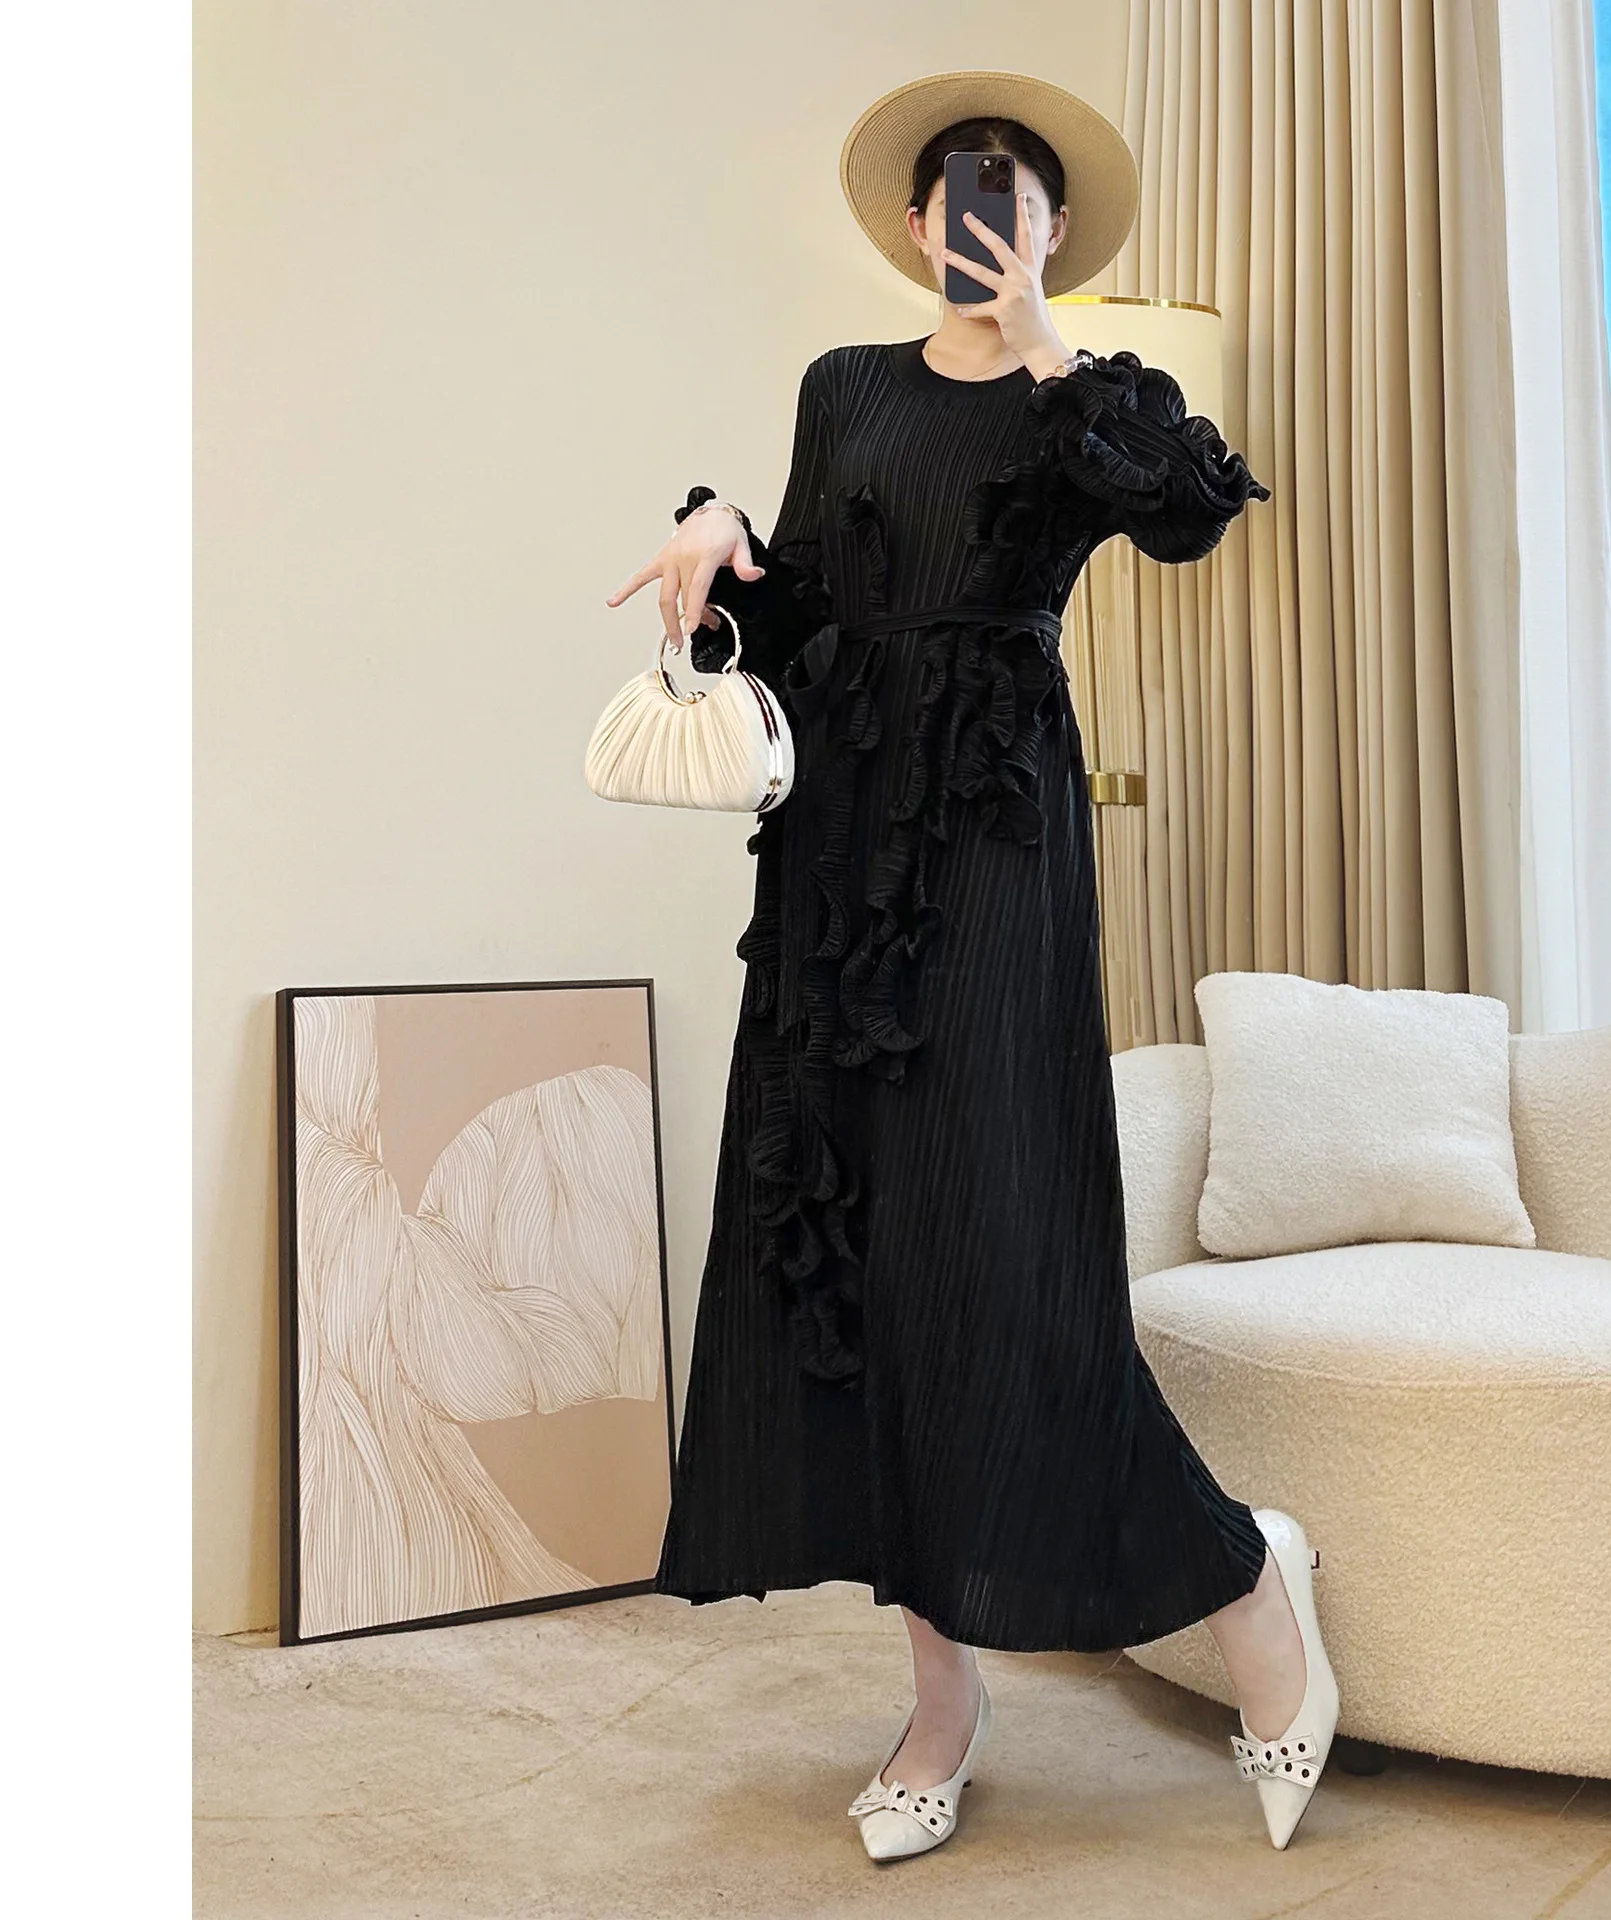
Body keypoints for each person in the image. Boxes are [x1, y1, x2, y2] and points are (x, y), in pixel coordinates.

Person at [607, 71, 1339, 1862]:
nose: (979, 216)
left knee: (1007, 1258)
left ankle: (1250, 1584)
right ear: (914, 222)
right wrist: (721, 540)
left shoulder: (1090, 400)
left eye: (1012, 193)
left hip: (1000, 836)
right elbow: (808, 603)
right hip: (842, 856)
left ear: (1053, 227)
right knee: (862, 1249)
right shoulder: (843, 388)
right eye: (955, 191)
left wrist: (1053, 351)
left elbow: (1191, 509)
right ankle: (942, 1698)